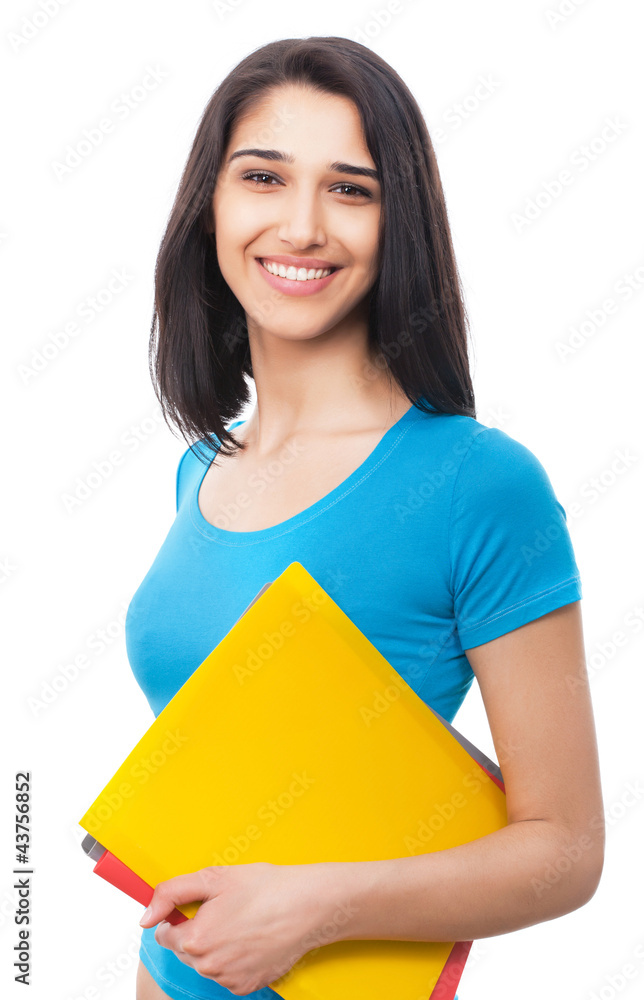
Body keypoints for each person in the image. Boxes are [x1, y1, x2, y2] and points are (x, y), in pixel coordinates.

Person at [127, 36, 604, 1000]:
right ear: (210, 205)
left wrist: (315, 909)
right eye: (264, 177)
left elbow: (566, 850)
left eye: (351, 190)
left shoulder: (476, 484)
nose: (302, 226)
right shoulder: (201, 470)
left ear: (400, 225)